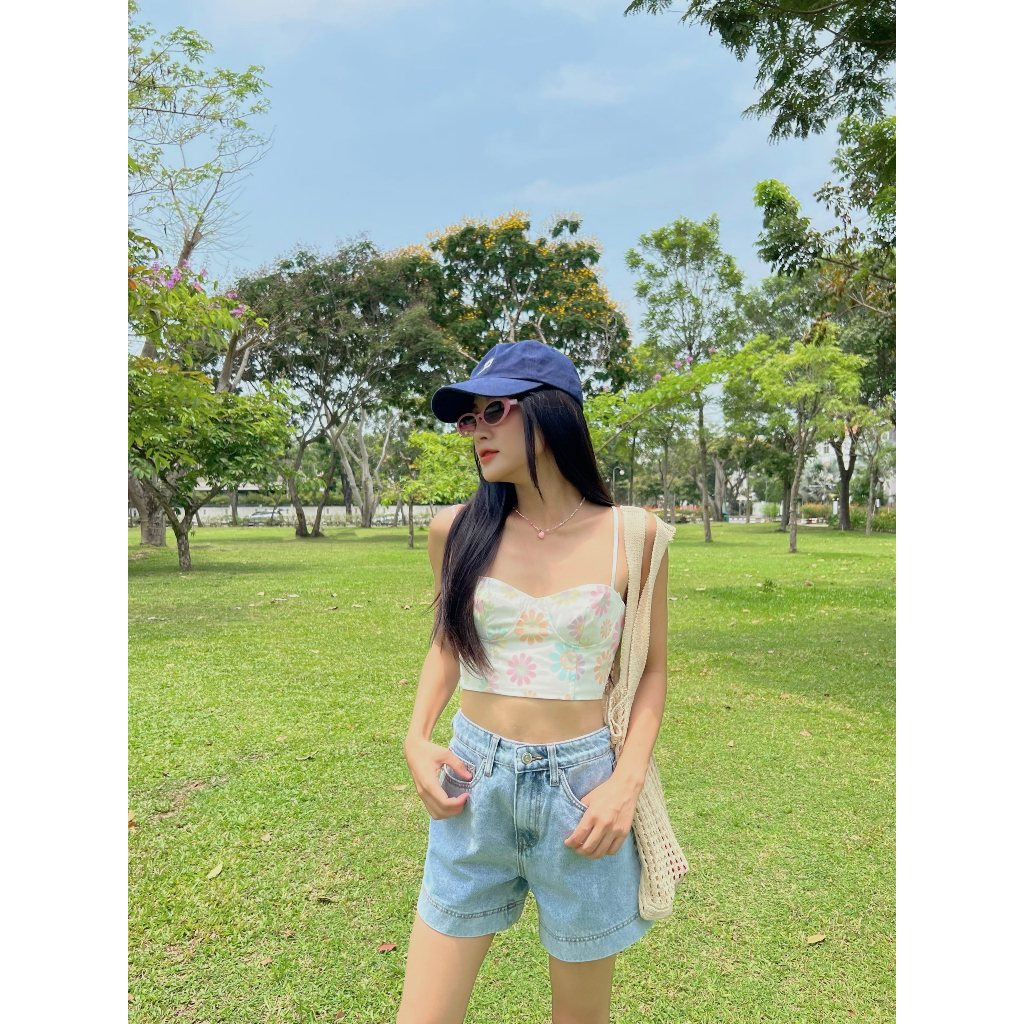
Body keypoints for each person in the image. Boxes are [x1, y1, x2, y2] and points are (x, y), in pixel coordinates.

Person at [398, 340, 683, 1024]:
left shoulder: (635, 536)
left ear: (552, 414)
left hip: (582, 795)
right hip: (473, 786)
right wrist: (415, 737)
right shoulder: (455, 529)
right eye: (468, 420)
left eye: (493, 411)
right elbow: (447, 643)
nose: (476, 431)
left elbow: (651, 669)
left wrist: (625, 783)